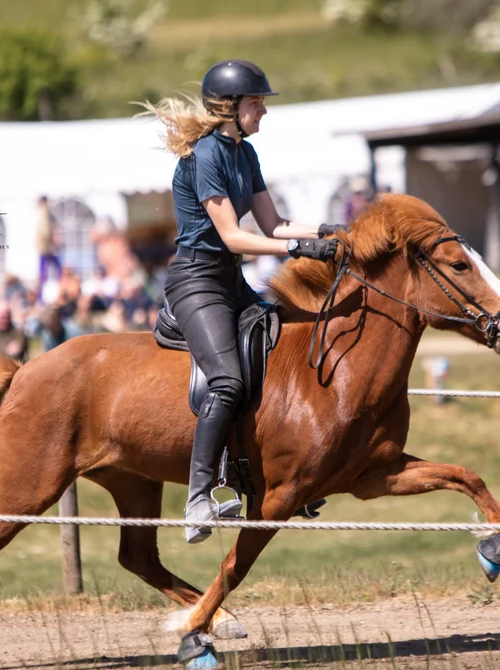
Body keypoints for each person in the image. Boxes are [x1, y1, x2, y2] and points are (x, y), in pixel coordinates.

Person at [141, 59, 346, 543]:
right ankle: (199, 497)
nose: (264, 111)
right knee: (228, 381)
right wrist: (300, 250)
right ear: (229, 107)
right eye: (257, 103)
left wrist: (330, 232)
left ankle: (280, 464)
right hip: (197, 283)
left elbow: (274, 224)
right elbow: (234, 237)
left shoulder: (245, 153)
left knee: (287, 349)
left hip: (232, 283)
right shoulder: (204, 156)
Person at [36, 196, 62, 297]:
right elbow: (45, 231)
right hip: (46, 248)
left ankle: (42, 295)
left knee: (45, 272)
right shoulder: (44, 213)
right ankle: (41, 295)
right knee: (46, 272)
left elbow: (46, 231)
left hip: (46, 247)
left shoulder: (44, 213)